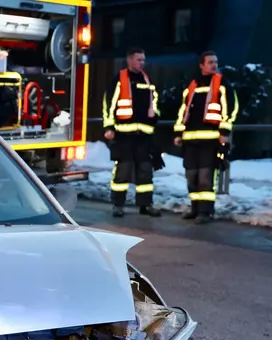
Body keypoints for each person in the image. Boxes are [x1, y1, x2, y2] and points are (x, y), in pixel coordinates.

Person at [173, 51, 239, 224]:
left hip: (210, 140)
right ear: (201, 65)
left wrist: (224, 133)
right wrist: (179, 133)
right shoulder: (192, 85)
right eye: (210, 62)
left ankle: (205, 211)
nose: (214, 65)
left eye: (215, 62)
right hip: (190, 140)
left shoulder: (222, 84)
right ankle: (195, 208)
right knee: (191, 176)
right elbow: (183, 111)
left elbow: (230, 109)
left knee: (205, 177)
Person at [101, 47, 163, 218]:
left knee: (145, 172)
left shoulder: (147, 79)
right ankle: (118, 205)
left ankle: (146, 205)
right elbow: (108, 104)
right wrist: (109, 127)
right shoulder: (120, 79)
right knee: (123, 171)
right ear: (129, 60)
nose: (142, 63)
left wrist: (154, 117)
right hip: (123, 135)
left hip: (143, 136)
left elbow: (155, 102)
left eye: (143, 60)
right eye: (138, 60)